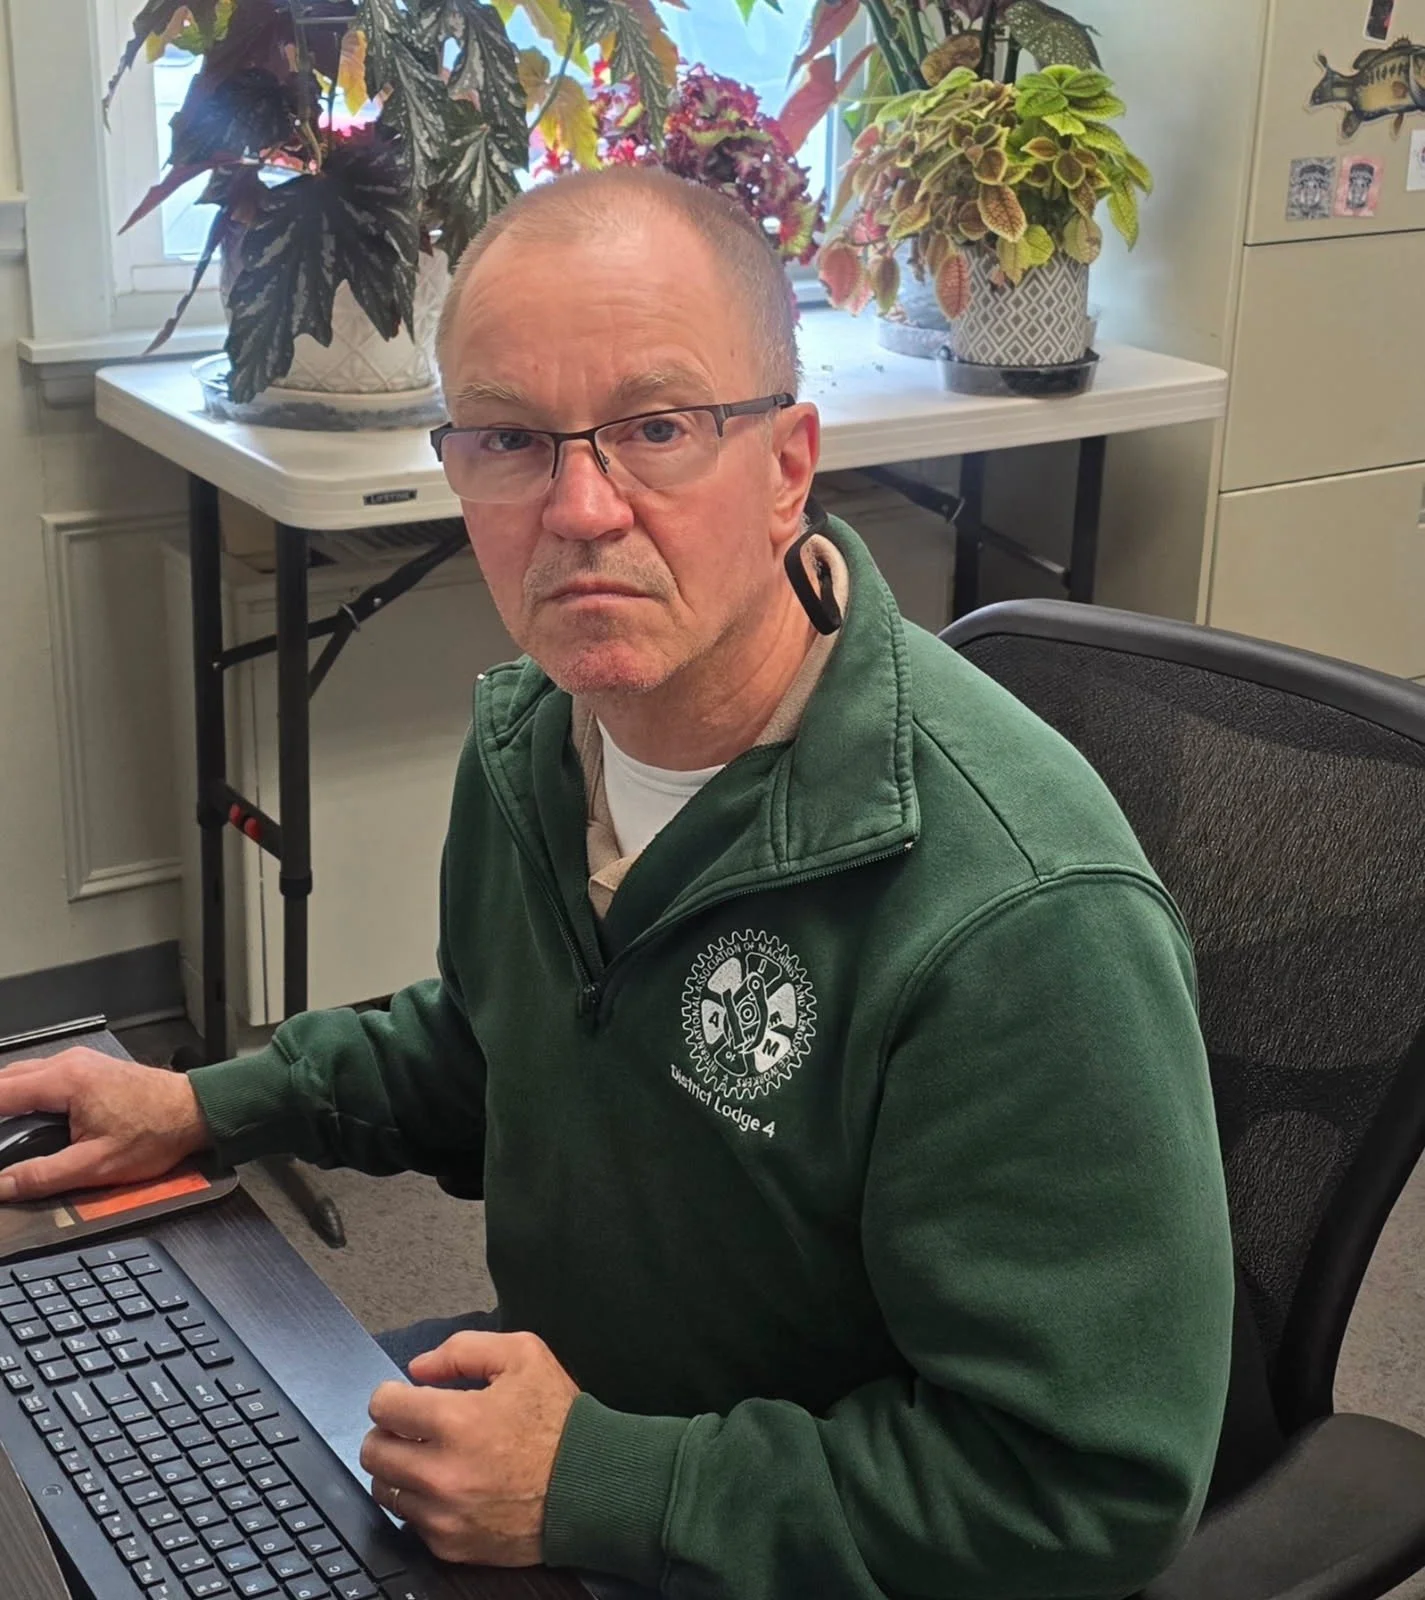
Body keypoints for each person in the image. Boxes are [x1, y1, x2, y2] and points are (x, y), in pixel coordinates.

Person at [0, 167, 1234, 1599]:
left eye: (659, 428)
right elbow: (497, 1050)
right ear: (454, 472)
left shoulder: (1020, 913)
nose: (581, 508)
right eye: (513, 440)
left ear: (786, 467)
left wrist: (593, 1484)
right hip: (576, 1447)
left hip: (781, 1541)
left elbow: (1085, 1492)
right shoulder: (535, 742)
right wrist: (206, 1104)